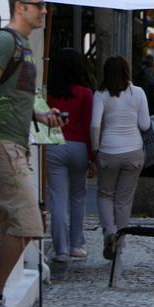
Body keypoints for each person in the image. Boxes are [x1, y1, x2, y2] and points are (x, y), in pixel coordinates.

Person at [0, 0, 64, 307]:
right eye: (38, 5)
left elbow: (15, 96)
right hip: (3, 145)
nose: (44, 10)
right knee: (30, 224)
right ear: (20, 7)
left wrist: (41, 116)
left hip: (14, 140)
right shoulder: (5, 41)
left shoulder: (23, 46)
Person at [90, 56, 150, 260]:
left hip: (108, 151)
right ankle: (120, 244)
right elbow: (145, 125)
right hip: (133, 151)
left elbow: (95, 124)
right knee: (124, 201)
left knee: (105, 195)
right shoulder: (138, 93)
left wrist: (96, 148)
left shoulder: (100, 94)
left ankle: (109, 233)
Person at [46, 48, 94, 263]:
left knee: (57, 198)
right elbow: (89, 127)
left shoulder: (48, 93)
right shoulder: (85, 93)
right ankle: (77, 245)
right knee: (78, 196)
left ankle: (61, 250)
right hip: (79, 147)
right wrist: (93, 156)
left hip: (53, 145)